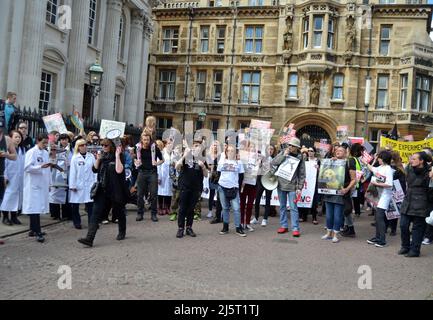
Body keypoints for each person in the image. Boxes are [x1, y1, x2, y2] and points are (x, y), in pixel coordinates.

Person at [78, 139, 129, 247]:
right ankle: (89, 238)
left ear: (111, 145)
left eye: (106, 145)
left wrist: (117, 156)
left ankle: (122, 231)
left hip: (115, 189)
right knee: (95, 213)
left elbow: (119, 170)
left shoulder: (119, 156)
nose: (103, 147)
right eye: (102, 145)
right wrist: (98, 159)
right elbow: (94, 169)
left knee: (119, 211)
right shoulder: (102, 157)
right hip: (102, 188)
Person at [398, 152, 432, 257]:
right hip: (408, 202)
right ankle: (405, 246)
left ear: (421, 161)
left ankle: (415, 250)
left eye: (414, 159)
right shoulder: (409, 168)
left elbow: (430, 190)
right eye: (411, 158)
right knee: (403, 225)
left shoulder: (429, 173)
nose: (411, 160)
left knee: (417, 229)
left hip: (421, 203)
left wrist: (431, 179)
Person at [321, 146, 356, 243]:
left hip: (341, 193)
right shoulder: (331, 161)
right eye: (336, 150)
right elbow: (323, 174)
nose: (338, 152)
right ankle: (328, 233)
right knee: (329, 215)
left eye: (341, 150)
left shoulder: (349, 162)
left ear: (345, 153)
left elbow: (354, 180)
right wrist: (329, 163)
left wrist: (346, 189)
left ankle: (335, 234)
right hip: (329, 192)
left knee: (337, 216)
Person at [272, 137, 305, 237]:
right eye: (289, 145)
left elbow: (302, 173)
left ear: (297, 148)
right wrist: (284, 155)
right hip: (281, 184)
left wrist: (300, 187)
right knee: (282, 206)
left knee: (293, 207)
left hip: (293, 186)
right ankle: (284, 225)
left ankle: (295, 228)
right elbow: (274, 162)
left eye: (292, 146)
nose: (290, 147)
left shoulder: (300, 157)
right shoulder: (283, 152)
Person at [175, 139, 208, 238]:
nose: (196, 147)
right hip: (184, 187)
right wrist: (185, 155)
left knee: (191, 209)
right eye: (194, 145)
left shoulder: (202, 159)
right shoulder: (186, 157)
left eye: (198, 146)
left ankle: (189, 227)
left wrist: (203, 168)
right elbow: (177, 166)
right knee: (182, 208)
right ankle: (181, 228)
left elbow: (206, 175)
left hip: (196, 188)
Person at [22, 134, 51, 243]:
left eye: (46, 143)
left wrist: (49, 183)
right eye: (43, 142)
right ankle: (37, 231)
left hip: (42, 183)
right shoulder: (31, 152)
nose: (45, 145)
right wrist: (40, 167)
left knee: (37, 207)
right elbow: (27, 168)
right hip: (33, 184)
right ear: (37, 141)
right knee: (34, 208)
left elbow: (48, 169)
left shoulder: (45, 153)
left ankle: (33, 229)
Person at [363, 150, 394, 248]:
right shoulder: (381, 167)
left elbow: (389, 184)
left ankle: (382, 240)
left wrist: (376, 183)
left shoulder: (388, 169)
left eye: (379, 157)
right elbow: (373, 169)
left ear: (383, 158)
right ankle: (377, 237)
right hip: (379, 195)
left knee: (380, 217)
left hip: (384, 196)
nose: (378, 159)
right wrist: (366, 163)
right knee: (377, 217)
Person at [135, 132, 164, 222]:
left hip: (152, 172)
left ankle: (153, 214)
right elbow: (135, 159)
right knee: (139, 194)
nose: (146, 141)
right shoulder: (138, 148)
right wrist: (136, 161)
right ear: (141, 140)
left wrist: (157, 163)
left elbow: (163, 159)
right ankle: (140, 213)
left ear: (150, 140)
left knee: (153, 194)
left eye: (147, 139)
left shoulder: (154, 148)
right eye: (144, 140)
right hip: (142, 172)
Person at [218, 144, 245, 236]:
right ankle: (225, 227)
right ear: (226, 152)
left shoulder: (239, 162)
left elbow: (241, 176)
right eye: (228, 150)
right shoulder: (222, 161)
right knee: (225, 208)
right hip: (222, 187)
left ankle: (238, 227)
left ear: (235, 152)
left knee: (237, 209)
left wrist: (239, 187)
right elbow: (218, 173)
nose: (230, 152)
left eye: (232, 150)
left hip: (234, 188)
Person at [69, 139, 97, 229]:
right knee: (75, 205)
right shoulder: (75, 158)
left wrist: (95, 182)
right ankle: (77, 222)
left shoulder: (91, 156)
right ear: (78, 147)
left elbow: (94, 170)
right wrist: (72, 185)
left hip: (89, 184)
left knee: (90, 205)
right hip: (78, 184)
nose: (84, 146)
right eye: (82, 145)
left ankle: (91, 223)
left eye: (85, 145)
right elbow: (73, 172)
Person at [1, 131, 25, 225]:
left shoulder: (22, 150)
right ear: (10, 138)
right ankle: (5, 217)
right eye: (16, 137)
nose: (18, 139)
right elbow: (4, 165)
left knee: (16, 197)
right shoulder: (6, 150)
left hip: (19, 177)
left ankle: (14, 216)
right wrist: (5, 176)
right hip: (9, 177)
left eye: (19, 137)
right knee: (7, 197)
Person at [341, 143, 364, 237]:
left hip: (349, 187)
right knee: (348, 209)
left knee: (347, 209)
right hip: (354, 186)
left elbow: (352, 176)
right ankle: (348, 228)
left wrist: (348, 188)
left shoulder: (351, 160)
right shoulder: (356, 160)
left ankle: (350, 229)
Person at [251, 145, 276, 227]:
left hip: (269, 181)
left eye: (272, 149)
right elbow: (256, 167)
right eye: (269, 148)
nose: (270, 150)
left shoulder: (274, 159)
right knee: (257, 199)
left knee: (267, 200)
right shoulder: (262, 158)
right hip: (261, 180)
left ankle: (265, 219)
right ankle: (256, 218)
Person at [49, 133, 72, 221]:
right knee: (55, 193)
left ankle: (66, 214)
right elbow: (52, 160)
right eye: (62, 139)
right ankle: (55, 214)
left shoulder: (71, 150)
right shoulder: (57, 149)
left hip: (67, 173)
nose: (64, 141)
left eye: (65, 139)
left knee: (66, 194)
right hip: (57, 173)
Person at [240, 142, 259, 232]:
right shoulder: (243, 158)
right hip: (244, 184)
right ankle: (241, 222)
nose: (252, 149)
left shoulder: (258, 159)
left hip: (253, 184)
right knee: (242, 204)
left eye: (254, 148)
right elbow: (241, 171)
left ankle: (247, 223)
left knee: (250, 205)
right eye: (251, 147)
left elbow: (257, 172)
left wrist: (259, 164)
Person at [386, 151, 406, 236]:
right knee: (395, 211)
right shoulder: (401, 168)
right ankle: (393, 229)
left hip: (391, 190)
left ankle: (388, 227)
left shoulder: (392, 168)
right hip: (399, 191)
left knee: (388, 210)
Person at [299, 146, 320, 225]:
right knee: (304, 197)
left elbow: (321, 172)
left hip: (314, 183)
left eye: (311, 151)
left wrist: (318, 168)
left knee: (313, 200)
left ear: (314, 152)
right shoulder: (305, 160)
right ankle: (303, 216)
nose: (310, 152)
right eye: (309, 151)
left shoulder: (317, 161)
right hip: (305, 183)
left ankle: (314, 217)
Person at [157, 140, 173, 216]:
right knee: (161, 192)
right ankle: (160, 207)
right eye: (169, 143)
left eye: (172, 143)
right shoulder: (162, 153)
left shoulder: (172, 153)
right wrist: (158, 176)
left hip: (170, 176)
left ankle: (167, 207)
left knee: (169, 192)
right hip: (162, 176)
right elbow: (158, 166)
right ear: (165, 144)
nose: (171, 145)